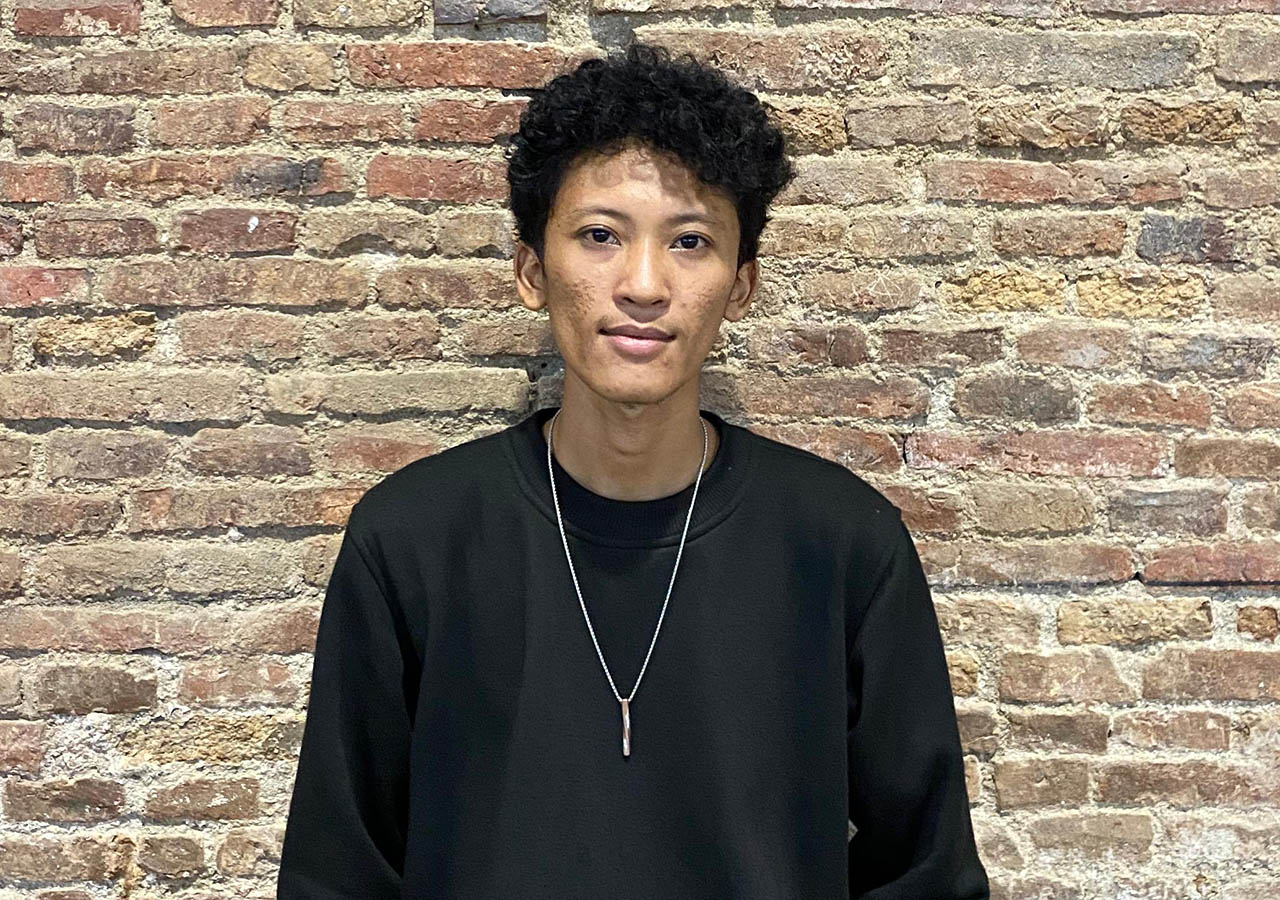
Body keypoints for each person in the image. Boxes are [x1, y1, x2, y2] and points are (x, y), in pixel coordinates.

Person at [276, 40, 989, 900]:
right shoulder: (412, 541)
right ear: (532, 270)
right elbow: (336, 873)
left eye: (690, 241)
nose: (643, 284)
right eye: (600, 236)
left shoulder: (841, 545)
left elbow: (928, 873)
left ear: (741, 285)